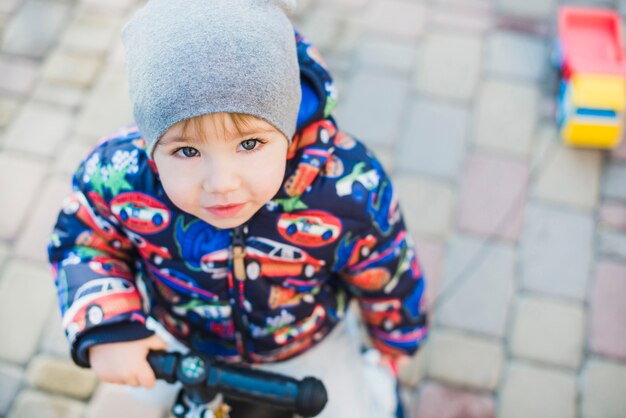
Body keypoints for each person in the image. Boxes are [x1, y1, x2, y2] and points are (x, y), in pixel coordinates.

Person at [48, 0, 428, 416]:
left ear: (287, 128)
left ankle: (376, 387)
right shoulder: (120, 178)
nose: (221, 182)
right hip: (176, 341)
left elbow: (388, 268)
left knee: (354, 410)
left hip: (304, 345)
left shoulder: (347, 188)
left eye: (249, 144)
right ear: (152, 148)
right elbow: (84, 243)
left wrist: (396, 342)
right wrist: (107, 327)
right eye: (188, 150)